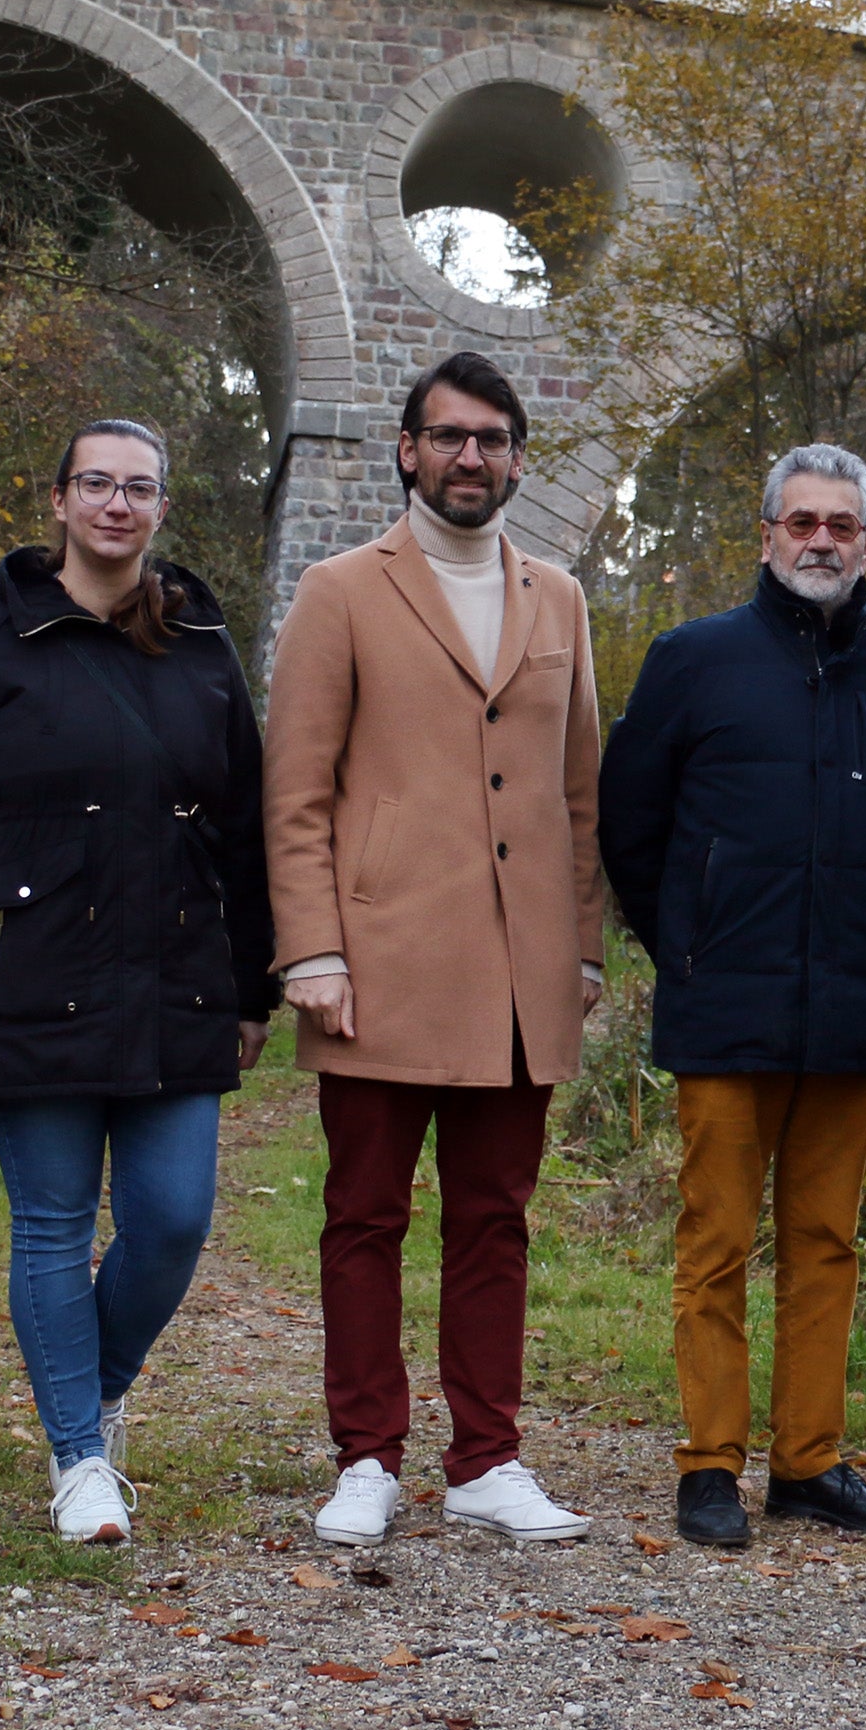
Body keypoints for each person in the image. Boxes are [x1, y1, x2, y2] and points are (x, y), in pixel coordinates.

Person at [0, 420, 276, 1545]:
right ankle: (81, 1459)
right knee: (51, 1227)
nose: (116, 504)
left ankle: (85, 1390)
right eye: (95, 484)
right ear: (57, 501)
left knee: (173, 1220)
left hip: (176, 982)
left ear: (160, 507)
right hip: (25, 981)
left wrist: (253, 988)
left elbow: (244, 827)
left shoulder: (198, 642)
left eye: (138, 488)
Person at [264, 351, 603, 1547]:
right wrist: (310, 947)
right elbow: (295, 791)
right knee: (364, 1216)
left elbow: (579, 793)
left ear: (516, 456)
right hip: (377, 963)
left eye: (494, 439)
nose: (473, 456)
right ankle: (365, 1456)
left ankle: (486, 1457)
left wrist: (587, 949)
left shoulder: (556, 599)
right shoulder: (342, 591)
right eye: (450, 437)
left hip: (521, 976)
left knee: (495, 1219)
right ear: (410, 451)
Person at [599, 445, 866, 1551]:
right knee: (714, 1241)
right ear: (765, 535)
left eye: (841, 525)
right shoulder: (692, 660)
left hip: (854, 1006)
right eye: (801, 522)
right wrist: (689, 944)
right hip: (725, 1002)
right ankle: (709, 1462)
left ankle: (808, 1463)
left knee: (826, 1243)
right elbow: (631, 826)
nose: (821, 541)